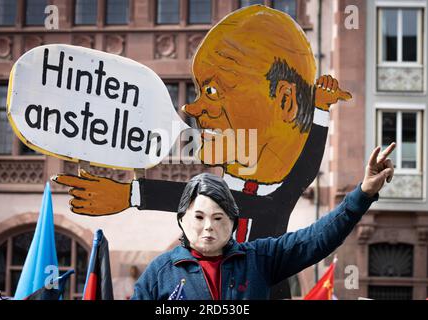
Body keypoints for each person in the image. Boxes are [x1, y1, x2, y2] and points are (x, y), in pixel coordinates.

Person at [53, 5, 352, 298]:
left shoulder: (274, 204)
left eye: (212, 91)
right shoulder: (166, 270)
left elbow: (301, 172)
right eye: (197, 218)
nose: (190, 108)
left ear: (286, 102)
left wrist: (321, 112)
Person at [130, 143, 395, 300]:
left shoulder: (258, 258)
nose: (208, 226)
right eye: (199, 217)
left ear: (233, 223)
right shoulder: (160, 273)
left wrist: (363, 193)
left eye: (218, 218)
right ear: (182, 219)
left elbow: (317, 238)